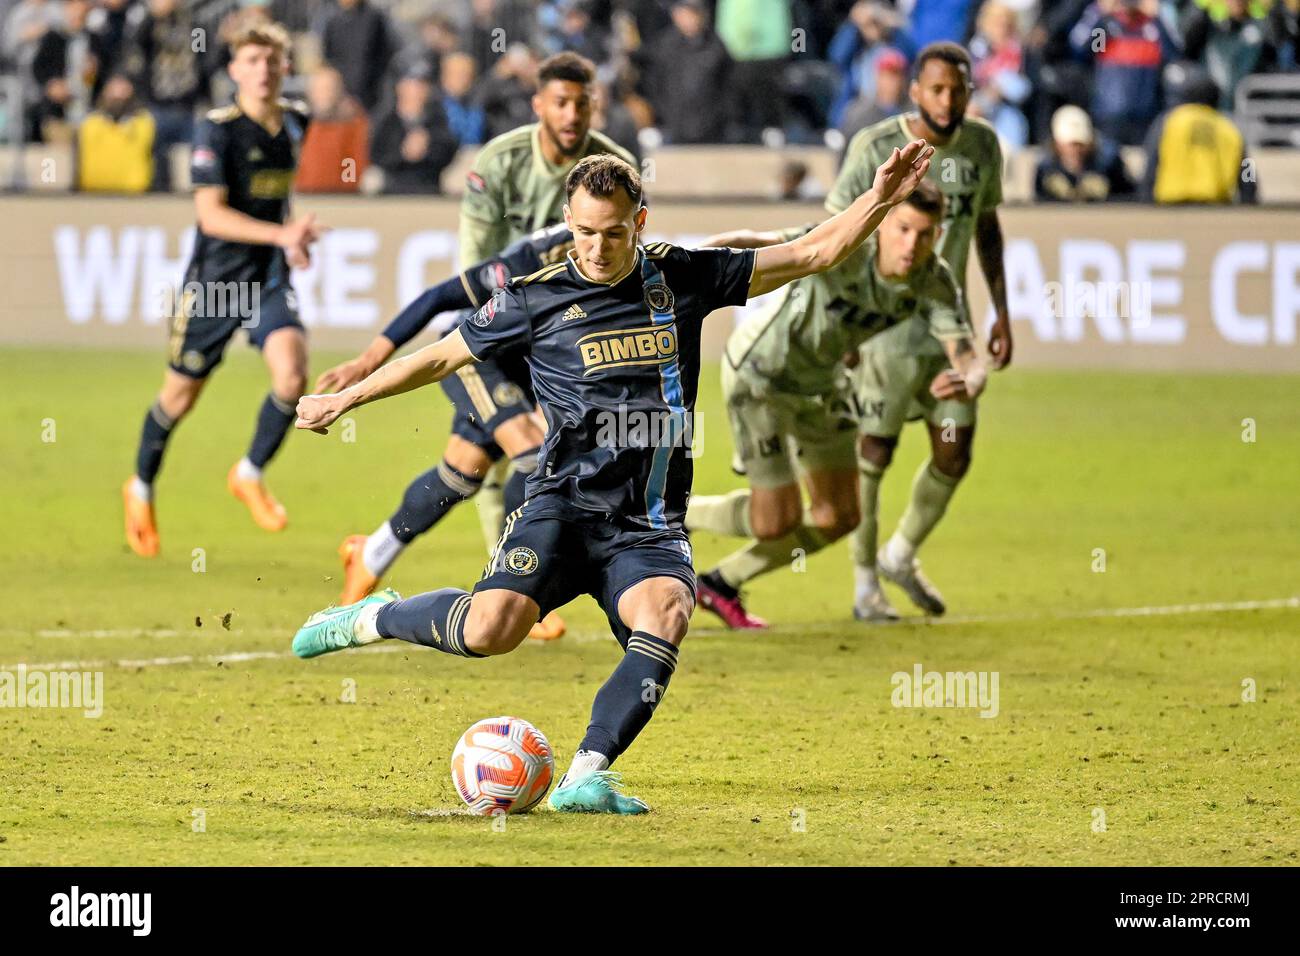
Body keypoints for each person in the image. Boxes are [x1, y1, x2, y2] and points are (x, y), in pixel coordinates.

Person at [290, 143, 934, 813]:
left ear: (641, 222)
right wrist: (348, 397)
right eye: (585, 232)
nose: (598, 248)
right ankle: (372, 617)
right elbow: (442, 357)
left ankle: (584, 775)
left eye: (615, 232)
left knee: (668, 612)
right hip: (561, 507)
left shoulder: (682, 277)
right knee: (490, 631)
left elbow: (814, 253)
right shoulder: (532, 298)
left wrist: (881, 197)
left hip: (646, 523)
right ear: (569, 221)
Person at [315, 52, 633, 642]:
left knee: (460, 473)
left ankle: (371, 553)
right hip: (478, 353)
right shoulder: (530, 258)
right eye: (588, 232)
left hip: (533, 359)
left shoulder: (611, 213)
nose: (599, 246)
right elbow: (442, 294)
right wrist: (371, 357)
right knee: (537, 455)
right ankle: (512, 586)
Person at [687, 180, 986, 628]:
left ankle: (721, 582)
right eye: (903, 229)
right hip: (761, 376)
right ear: (884, 224)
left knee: (840, 515)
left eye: (925, 234)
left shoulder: (933, 280)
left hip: (823, 386)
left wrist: (969, 380)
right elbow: (758, 242)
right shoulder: (847, 245)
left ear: (938, 235)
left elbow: (966, 355)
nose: (911, 244)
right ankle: (674, 512)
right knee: (775, 520)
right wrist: (681, 262)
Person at [122, 22, 320, 557]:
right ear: (234, 70)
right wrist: (282, 233)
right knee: (179, 396)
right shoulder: (215, 130)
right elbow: (210, 216)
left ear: (285, 67)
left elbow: (276, 198)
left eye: (272, 60)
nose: (263, 70)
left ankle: (249, 473)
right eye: (251, 60)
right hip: (214, 285)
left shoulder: (298, 120)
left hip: (269, 277)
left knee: (293, 375)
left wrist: (293, 239)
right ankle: (139, 488)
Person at [1141, 72, 1257, 204]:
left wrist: (1146, 200)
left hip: (1171, 206)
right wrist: (1249, 200)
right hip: (1216, 207)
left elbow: (1151, 164)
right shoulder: (1229, 127)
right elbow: (1248, 167)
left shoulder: (1169, 121)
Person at [1034, 104, 1135, 202]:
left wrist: (1105, 194)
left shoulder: (1109, 164)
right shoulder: (1045, 169)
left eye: (1080, 144)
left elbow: (1130, 196)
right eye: (1070, 144)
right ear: (1057, 144)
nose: (1075, 150)